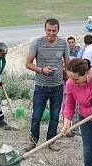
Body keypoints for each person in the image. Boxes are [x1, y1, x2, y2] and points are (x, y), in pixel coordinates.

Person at [25, 18, 70, 151]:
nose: (51, 33)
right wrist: (42, 70)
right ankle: (33, 141)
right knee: (36, 116)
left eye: (54, 31)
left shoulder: (63, 44)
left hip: (57, 87)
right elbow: (28, 64)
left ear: (58, 30)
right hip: (41, 86)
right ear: (45, 30)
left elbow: (68, 64)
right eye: (49, 30)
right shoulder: (37, 43)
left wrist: (67, 76)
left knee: (55, 116)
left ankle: (51, 141)